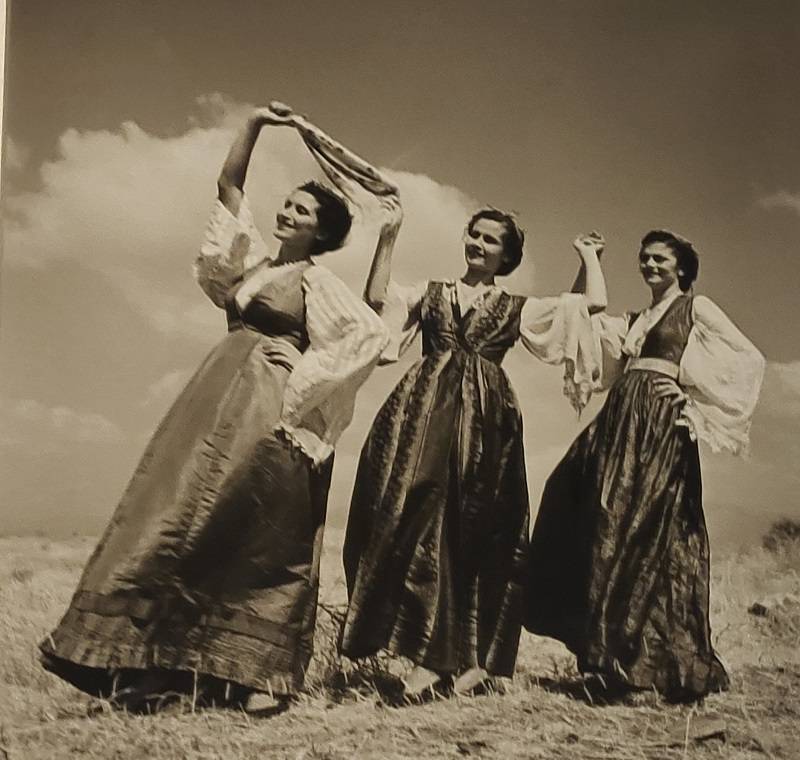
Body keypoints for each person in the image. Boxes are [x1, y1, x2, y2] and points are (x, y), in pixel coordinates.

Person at [39, 102, 398, 712]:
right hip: (212, 397)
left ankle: (258, 676)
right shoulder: (251, 266)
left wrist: (300, 373)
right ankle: (154, 664)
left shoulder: (315, 281)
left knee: (255, 531)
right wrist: (255, 123)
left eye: (302, 211)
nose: (287, 212)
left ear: (320, 232)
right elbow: (230, 187)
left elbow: (368, 335)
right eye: (288, 204)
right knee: (176, 517)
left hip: (268, 407)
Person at [340, 211, 607, 698]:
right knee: (408, 515)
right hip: (421, 412)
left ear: (507, 256)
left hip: (486, 422)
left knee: (476, 531)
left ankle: (462, 662)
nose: (478, 244)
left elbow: (586, 306)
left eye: (491, 240)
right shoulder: (432, 292)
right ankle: (429, 652)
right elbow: (377, 299)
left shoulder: (515, 306)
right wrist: (388, 238)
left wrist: (588, 256)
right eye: (474, 234)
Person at [525, 229, 765, 702]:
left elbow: (747, 358)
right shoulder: (634, 321)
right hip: (619, 423)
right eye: (645, 258)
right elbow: (582, 322)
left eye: (660, 259)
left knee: (648, 531)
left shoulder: (696, 308)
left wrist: (691, 395)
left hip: (660, 427)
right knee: (593, 516)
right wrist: (589, 258)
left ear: (681, 267)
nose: (650, 265)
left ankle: (644, 667)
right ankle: (607, 658)